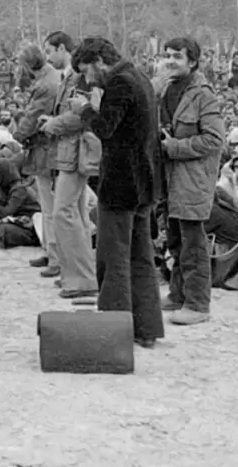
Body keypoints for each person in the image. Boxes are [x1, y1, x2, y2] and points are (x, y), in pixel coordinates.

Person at [72, 36, 164, 349]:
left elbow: (105, 129)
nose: (87, 78)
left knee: (113, 258)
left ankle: (113, 332)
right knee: (141, 257)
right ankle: (146, 328)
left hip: (122, 182)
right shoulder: (140, 78)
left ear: (99, 61)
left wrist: (85, 110)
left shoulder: (119, 83)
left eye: (87, 70)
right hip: (144, 182)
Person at [156, 36, 225, 326]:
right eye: (167, 55)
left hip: (193, 178)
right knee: (175, 239)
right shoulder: (165, 89)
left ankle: (198, 304)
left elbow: (214, 139)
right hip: (170, 177)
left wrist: (174, 147)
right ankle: (177, 294)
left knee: (193, 244)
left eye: (178, 56)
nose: (170, 60)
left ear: (193, 62)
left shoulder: (204, 95)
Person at [39, 30, 99, 299]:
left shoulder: (79, 77)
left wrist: (53, 124)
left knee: (65, 212)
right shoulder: (70, 76)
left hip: (76, 150)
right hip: (68, 151)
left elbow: (83, 116)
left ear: (63, 48)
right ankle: (75, 273)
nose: (48, 57)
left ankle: (82, 278)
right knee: (75, 214)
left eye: (51, 51)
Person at [12, 44, 62, 278]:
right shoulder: (51, 77)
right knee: (48, 205)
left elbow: (31, 117)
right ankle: (50, 250)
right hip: (45, 146)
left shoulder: (45, 85)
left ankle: (55, 256)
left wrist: (17, 136)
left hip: (46, 148)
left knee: (51, 207)